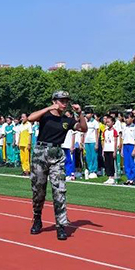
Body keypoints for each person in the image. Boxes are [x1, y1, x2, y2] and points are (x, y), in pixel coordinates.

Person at [28, 91, 87, 241]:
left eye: (66, 100)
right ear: (54, 101)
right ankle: (37, 218)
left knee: (59, 190)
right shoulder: (45, 115)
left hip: (57, 154)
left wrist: (80, 113)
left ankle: (61, 225)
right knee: (38, 190)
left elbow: (83, 128)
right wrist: (48, 108)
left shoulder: (66, 119)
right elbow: (30, 118)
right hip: (40, 152)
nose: (64, 103)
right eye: (61, 101)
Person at [121, 112, 135, 185]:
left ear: (132, 119)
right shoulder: (124, 127)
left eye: (128, 118)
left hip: (132, 146)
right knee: (126, 163)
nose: (126, 120)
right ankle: (128, 178)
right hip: (125, 145)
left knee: (132, 162)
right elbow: (123, 139)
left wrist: (134, 149)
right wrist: (122, 149)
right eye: (125, 118)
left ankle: (133, 178)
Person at [101, 115, 118, 184]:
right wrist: (103, 150)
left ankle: (113, 176)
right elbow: (104, 140)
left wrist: (114, 150)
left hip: (111, 149)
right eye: (106, 122)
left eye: (109, 122)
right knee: (107, 163)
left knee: (111, 164)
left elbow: (115, 141)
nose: (107, 123)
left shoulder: (114, 131)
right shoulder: (105, 131)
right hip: (106, 149)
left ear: (113, 122)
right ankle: (109, 177)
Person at [83, 110, 99, 178]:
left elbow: (97, 133)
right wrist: (83, 141)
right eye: (86, 113)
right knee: (88, 157)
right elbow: (84, 132)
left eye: (88, 113)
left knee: (94, 156)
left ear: (92, 114)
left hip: (93, 141)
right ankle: (89, 170)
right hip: (87, 141)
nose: (87, 115)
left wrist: (97, 143)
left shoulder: (95, 122)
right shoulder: (85, 122)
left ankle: (94, 171)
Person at [61, 113, 76, 181]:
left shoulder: (71, 124)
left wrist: (72, 145)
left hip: (68, 145)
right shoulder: (62, 125)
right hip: (62, 145)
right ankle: (64, 173)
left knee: (69, 160)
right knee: (63, 160)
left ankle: (70, 174)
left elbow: (73, 136)